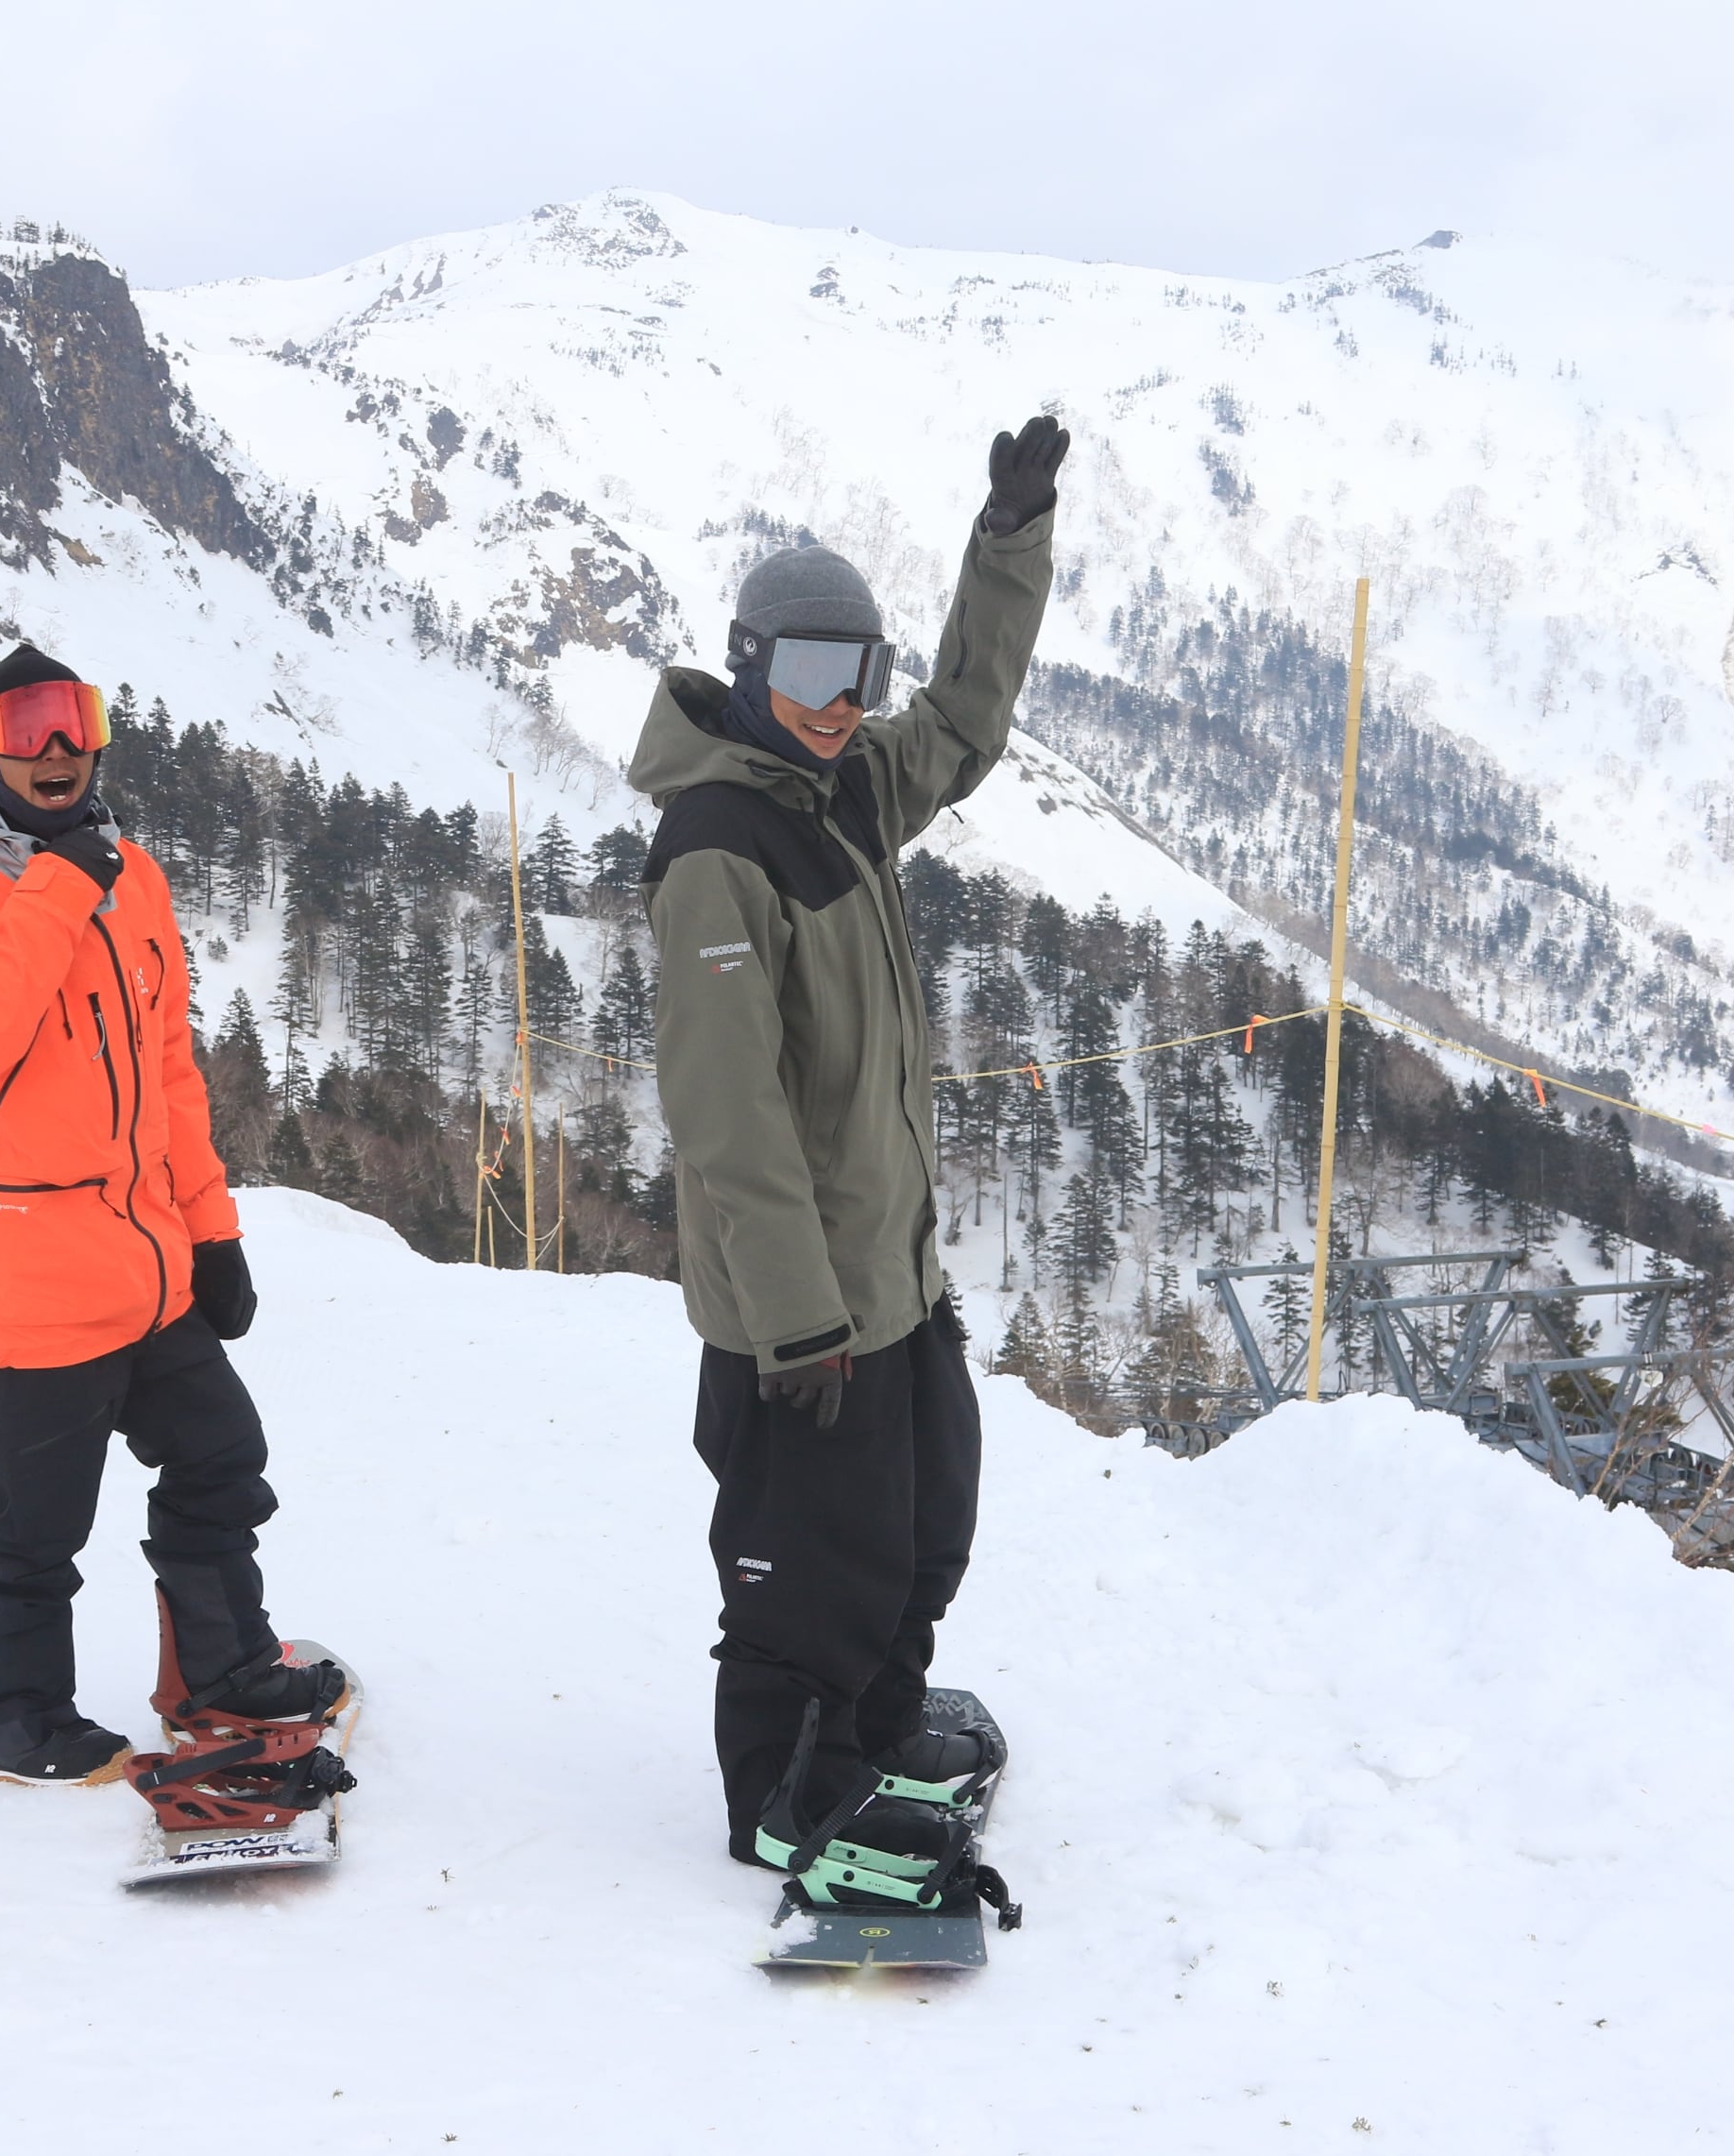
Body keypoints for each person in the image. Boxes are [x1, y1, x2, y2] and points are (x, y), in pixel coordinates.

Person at [628, 416, 1067, 1882]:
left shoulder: (849, 794)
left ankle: (871, 1720)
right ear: (751, 668)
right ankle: (787, 1789)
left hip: (889, 1273)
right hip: (798, 1308)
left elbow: (964, 721)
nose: (835, 706)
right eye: (809, 675)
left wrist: (1007, 546)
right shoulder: (716, 847)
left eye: (853, 678)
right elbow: (727, 1114)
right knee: (810, 1564)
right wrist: (798, 1319)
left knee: (925, 1520)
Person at [0, 644, 346, 1785]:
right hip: (25, 1280)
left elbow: (168, 1074)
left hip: (144, 1270)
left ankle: (221, 1671)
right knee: (34, 1528)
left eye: (73, 721)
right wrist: (54, 883)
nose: (54, 750)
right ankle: (14, 1719)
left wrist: (213, 1229)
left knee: (221, 1457)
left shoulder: (133, 877)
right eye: (24, 727)